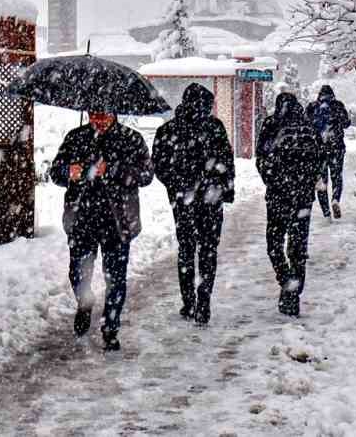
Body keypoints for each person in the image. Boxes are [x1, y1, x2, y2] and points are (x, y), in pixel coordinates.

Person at [49, 110, 154, 351]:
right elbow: (55, 172)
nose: (99, 121)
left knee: (116, 278)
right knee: (77, 273)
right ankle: (84, 303)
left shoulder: (131, 139)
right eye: (94, 115)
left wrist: (113, 169)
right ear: (87, 114)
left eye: (104, 116)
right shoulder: (76, 137)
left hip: (118, 221)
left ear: (114, 114)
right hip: (81, 219)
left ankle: (111, 328)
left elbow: (146, 174)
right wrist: (69, 172)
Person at [152, 82, 235, 326]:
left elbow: (159, 163)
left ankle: (189, 302)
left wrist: (175, 187)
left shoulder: (168, 130)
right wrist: (225, 191)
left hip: (183, 201)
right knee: (208, 250)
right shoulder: (214, 127)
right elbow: (227, 162)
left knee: (186, 250)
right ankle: (203, 301)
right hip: (211, 200)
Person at [257, 92, 324, 317]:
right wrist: (306, 183)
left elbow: (261, 157)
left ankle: (286, 281)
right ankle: (293, 293)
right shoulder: (308, 126)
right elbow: (320, 159)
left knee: (274, 244)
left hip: (278, 195)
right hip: (303, 198)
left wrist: (272, 181)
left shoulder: (272, 124)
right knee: (298, 247)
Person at [306, 86, 351, 218]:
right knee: (337, 176)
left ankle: (326, 212)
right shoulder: (337, 106)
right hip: (336, 147)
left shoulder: (313, 107)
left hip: (319, 149)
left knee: (322, 181)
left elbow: (305, 124)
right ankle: (335, 199)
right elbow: (346, 123)